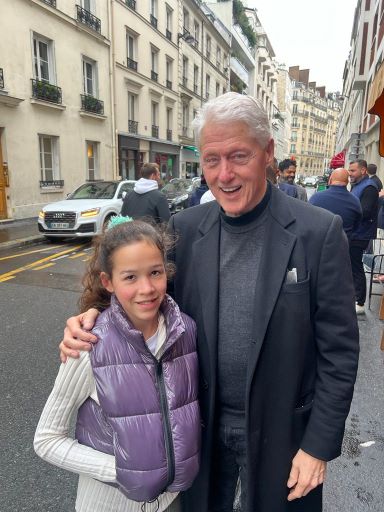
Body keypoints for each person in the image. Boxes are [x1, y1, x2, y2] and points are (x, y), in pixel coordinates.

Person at [60, 93, 359, 512]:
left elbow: (339, 354)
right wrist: (95, 315)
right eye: (211, 159)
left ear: (268, 152)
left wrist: (318, 447)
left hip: (284, 432)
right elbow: (146, 299)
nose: (224, 175)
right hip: (198, 425)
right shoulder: (185, 227)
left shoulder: (318, 232)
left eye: (238, 156)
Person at [35, 218, 200, 512]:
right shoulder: (89, 347)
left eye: (155, 273)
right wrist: (123, 470)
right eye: (130, 277)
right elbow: (47, 439)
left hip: (171, 502)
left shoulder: (186, 332)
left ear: (167, 271)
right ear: (108, 282)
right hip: (108, 504)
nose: (146, 288)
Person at [348, 159, 379, 314]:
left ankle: (359, 302)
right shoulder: (359, 186)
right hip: (355, 232)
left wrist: (347, 213)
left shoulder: (369, 188)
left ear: (363, 171)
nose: (350, 173)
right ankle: (353, 297)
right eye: (349, 170)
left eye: (353, 170)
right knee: (352, 265)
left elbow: (365, 211)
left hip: (360, 233)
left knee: (356, 266)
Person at [309, 168, 362, 241]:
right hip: (343, 245)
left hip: (318, 243)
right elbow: (357, 225)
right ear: (347, 182)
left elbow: (308, 220)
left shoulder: (316, 198)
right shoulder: (355, 201)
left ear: (330, 180)